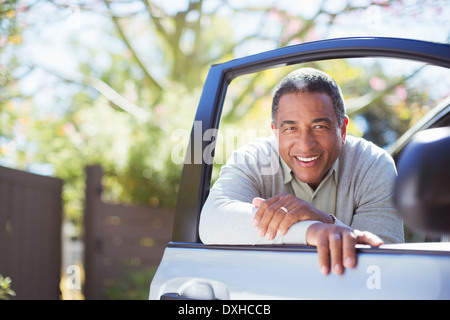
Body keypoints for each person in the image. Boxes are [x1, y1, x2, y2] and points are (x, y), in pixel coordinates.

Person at [199, 68, 404, 275]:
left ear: (342, 130)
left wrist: (325, 220)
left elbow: (383, 265)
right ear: (275, 133)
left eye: (319, 127)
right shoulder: (253, 159)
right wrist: (310, 230)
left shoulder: (373, 164)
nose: (305, 145)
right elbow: (212, 221)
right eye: (291, 129)